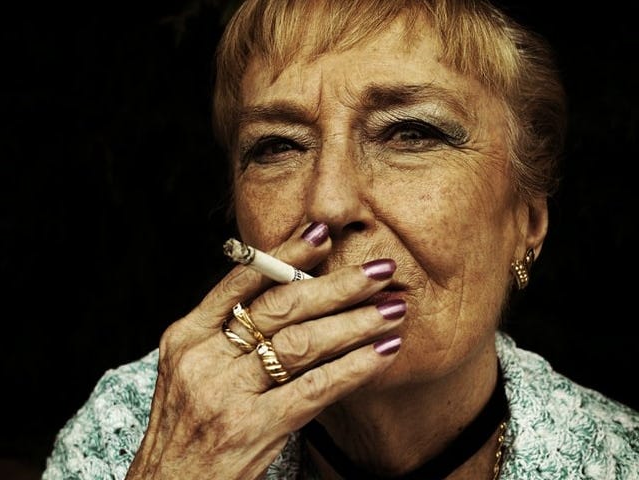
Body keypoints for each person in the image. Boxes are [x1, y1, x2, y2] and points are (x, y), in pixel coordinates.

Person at [41, 0, 639, 478]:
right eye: (278, 145)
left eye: (410, 134)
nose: (328, 202)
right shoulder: (133, 430)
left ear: (526, 223)